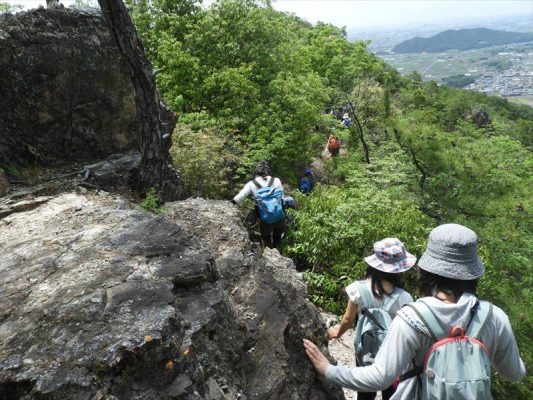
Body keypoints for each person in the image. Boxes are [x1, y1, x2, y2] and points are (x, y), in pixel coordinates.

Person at [304, 224, 526, 400]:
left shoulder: (412, 317)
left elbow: (379, 378)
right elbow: (515, 373)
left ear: (425, 271)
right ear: (474, 275)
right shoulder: (495, 317)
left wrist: (329, 370)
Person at [328, 238, 416, 400]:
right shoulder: (405, 298)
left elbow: (348, 320)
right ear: (399, 271)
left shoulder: (357, 289)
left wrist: (336, 333)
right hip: (391, 353)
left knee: (365, 390)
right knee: (390, 391)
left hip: (365, 348)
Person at [232, 161, 285, 249]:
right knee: (278, 240)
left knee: (266, 240)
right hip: (279, 216)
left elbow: (239, 197)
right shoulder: (276, 180)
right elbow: (282, 198)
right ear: (268, 171)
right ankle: (279, 256)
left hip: (264, 218)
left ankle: (269, 255)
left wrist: (230, 203)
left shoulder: (251, 184)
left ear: (256, 172)